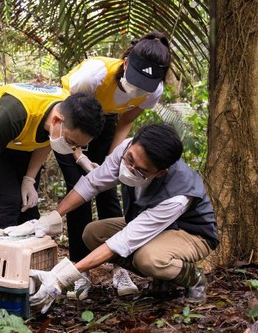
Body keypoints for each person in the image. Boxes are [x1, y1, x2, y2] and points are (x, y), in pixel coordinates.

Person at [5, 124, 218, 313]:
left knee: (149, 259)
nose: (130, 168)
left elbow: (124, 241)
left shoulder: (178, 195)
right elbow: (92, 184)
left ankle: (194, 278)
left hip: (191, 233)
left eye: (140, 170)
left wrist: (62, 277)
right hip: (148, 225)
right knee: (92, 233)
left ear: (160, 173)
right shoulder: (126, 149)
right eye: (130, 160)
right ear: (132, 143)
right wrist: (51, 217)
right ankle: (165, 278)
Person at [58, 31, 172, 296]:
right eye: (136, 79)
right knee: (79, 189)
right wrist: (78, 155)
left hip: (107, 121)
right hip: (72, 117)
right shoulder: (94, 75)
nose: (140, 87)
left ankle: (118, 268)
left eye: (147, 82)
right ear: (126, 61)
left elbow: (125, 121)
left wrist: (113, 159)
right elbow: (67, 114)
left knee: (109, 189)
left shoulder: (153, 91)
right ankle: (79, 270)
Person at [0, 83, 104, 239]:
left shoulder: (64, 113)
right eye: (71, 142)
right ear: (56, 121)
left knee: (28, 205)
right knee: (8, 199)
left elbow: (46, 142)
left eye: (78, 146)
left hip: (21, 139)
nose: (73, 149)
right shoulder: (14, 114)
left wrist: (29, 179)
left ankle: (28, 257)